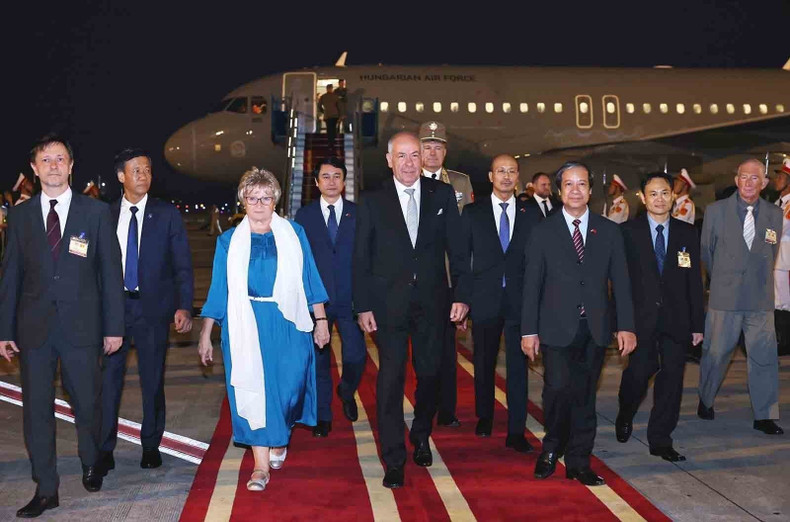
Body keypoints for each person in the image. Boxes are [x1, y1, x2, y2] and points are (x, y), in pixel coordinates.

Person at [0, 135, 125, 517]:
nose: (53, 165)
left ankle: (92, 457)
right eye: (45, 160)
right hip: (34, 331)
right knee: (35, 411)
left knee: (87, 403)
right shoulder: (19, 217)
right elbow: (11, 278)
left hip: (83, 328)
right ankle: (46, 488)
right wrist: (5, 330)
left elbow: (110, 273)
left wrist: (114, 326)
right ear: (34, 169)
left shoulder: (96, 212)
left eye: (60, 159)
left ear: (71, 166)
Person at [198, 168, 330, 492]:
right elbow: (219, 289)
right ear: (243, 200)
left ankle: (280, 435)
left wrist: (321, 321)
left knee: (289, 388)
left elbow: (309, 279)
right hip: (245, 323)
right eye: (253, 197)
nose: (259, 203)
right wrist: (206, 333)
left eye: (266, 197)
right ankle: (259, 465)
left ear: (275, 200)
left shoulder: (294, 234)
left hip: (289, 323)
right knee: (253, 389)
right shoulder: (228, 241)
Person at [353, 132, 470, 489]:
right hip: (388, 307)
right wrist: (363, 305)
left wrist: (461, 296)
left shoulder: (443, 195)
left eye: (414, 155)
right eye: (401, 156)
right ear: (389, 160)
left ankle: (421, 434)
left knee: (431, 374)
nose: (408, 163)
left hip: (434, 305)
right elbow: (361, 258)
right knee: (389, 382)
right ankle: (393, 458)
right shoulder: (372, 201)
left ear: (423, 159)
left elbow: (459, 250)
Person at [521, 161, 636, 486]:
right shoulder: (543, 231)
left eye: (582, 184)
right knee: (557, 390)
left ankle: (578, 461)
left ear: (590, 189)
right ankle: (551, 447)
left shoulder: (609, 231)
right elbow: (531, 285)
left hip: (595, 328)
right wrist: (529, 330)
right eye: (568, 184)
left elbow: (622, 282)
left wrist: (626, 325)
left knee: (585, 396)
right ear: (559, 191)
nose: (575, 190)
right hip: (556, 328)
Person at [99, 148, 194, 473]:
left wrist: (184, 305)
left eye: (147, 170)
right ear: (121, 176)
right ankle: (104, 448)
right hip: (114, 311)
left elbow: (182, 264)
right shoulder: (105, 215)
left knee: (152, 381)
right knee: (109, 382)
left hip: (153, 311)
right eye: (136, 170)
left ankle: (151, 445)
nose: (143, 175)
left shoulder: (166, 214)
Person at [615, 172, 704, 462]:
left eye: (665, 193)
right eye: (653, 193)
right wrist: (622, 324)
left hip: (676, 320)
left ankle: (661, 439)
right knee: (638, 375)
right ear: (642, 197)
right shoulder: (628, 233)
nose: (660, 199)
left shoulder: (687, 232)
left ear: (673, 196)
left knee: (672, 380)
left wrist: (697, 324)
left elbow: (694, 281)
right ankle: (625, 412)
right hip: (640, 322)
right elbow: (620, 283)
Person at [698, 158, 784, 435]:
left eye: (755, 178)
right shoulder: (715, 211)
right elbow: (706, 253)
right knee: (716, 353)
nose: (749, 183)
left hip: (760, 299)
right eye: (744, 177)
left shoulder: (774, 214)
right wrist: (724, 278)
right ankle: (706, 399)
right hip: (725, 297)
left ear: (764, 183)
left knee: (764, 357)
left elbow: (769, 253)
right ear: (736, 180)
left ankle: (765, 414)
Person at [462, 155, 541, 451]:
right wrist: (463, 300)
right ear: (490, 176)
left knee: (518, 367)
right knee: (483, 361)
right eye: (500, 172)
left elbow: (539, 259)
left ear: (518, 176)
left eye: (511, 172)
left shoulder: (531, 212)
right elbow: (463, 261)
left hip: (520, 301)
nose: (506, 177)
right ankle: (485, 415)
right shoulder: (472, 212)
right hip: (485, 299)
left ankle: (516, 430)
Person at [295, 157, 366, 437]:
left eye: (337, 176)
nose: (332, 181)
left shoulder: (358, 213)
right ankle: (323, 415)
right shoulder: (305, 216)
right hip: (317, 302)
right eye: (326, 176)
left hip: (350, 301)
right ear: (316, 183)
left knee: (356, 355)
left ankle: (346, 390)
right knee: (319, 361)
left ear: (345, 181)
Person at [419, 120, 473, 428]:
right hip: (418, 279)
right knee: (422, 349)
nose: (433, 153)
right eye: (427, 147)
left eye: (438, 147)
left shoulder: (460, 184)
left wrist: (465, 290)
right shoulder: (408, 181)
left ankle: (447, 410)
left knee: (447, 350)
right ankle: (424, 404)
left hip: (450, 278)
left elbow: (467, 237)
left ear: (445, 151)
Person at [773, 158, 790, 310]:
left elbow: (780, 228)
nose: (776, 180)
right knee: (775, 303)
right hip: (774, 259)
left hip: (785, 262)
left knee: (783, 305)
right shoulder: (776, 204)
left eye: (781, 177)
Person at [318, 84, 341, 150]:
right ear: (332, 88)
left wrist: (323, 111)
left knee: (329, 129)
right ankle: (333, 141)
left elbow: (319, 106)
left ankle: (330, 142)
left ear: (326, 89)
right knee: (333, 128)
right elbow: (339, 106)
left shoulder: (323, 97)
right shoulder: (336, 96)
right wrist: (340, 115)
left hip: (327, 115)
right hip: (335, 115)